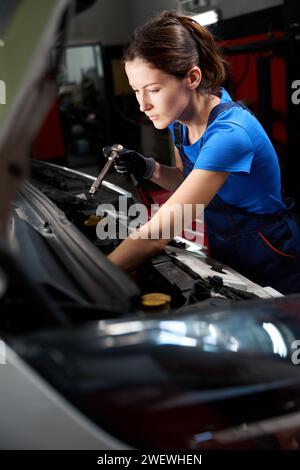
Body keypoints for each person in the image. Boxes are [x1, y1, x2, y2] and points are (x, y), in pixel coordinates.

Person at [107, 10, 300, 294]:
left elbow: (156, 236)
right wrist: (147, 168)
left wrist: (95, 275)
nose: (142, 104)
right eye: (136, 90)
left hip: (269, 257)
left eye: (153, 89)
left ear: (192, 77)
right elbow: (190, 185)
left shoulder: (230, 135)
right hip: (227, 252)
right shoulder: (179, 124)